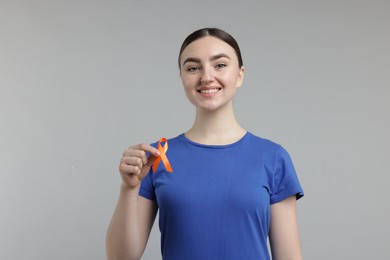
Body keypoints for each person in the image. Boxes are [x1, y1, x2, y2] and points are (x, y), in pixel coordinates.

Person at [106, 27, 304, 260]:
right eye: (193, 68)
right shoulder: (156, 157)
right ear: (182, 78)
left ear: (240, 74)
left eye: (219, 65)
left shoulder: (272, 158)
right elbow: (120, 258)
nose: (206, 77)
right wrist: (129, 189)